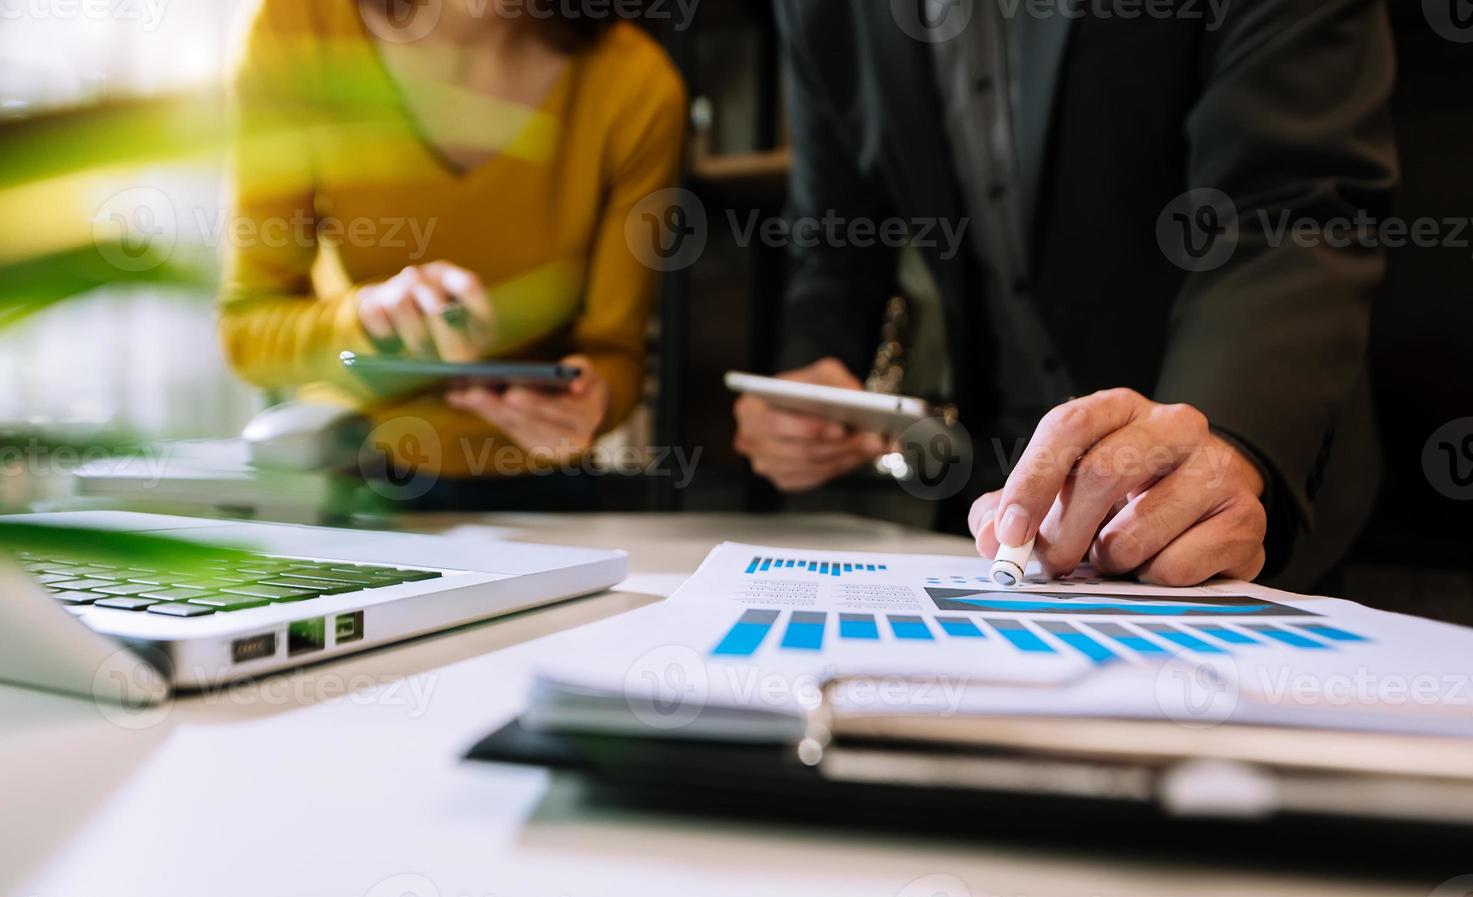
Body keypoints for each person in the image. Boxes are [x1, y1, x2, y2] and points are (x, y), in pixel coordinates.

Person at [735, 0, 1397, 590]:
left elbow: (1290, 207)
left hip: (1239, 469)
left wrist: (1225, 434)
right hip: (998, 515)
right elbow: (832, 246)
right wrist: (809, 381)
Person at [220, 0, 685, 499]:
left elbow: (617, 358)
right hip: (348, 472)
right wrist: (366, 319)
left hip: (545, 489)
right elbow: (248, 329)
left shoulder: (636, 85)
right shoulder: (299, 28)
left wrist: (595, 399)